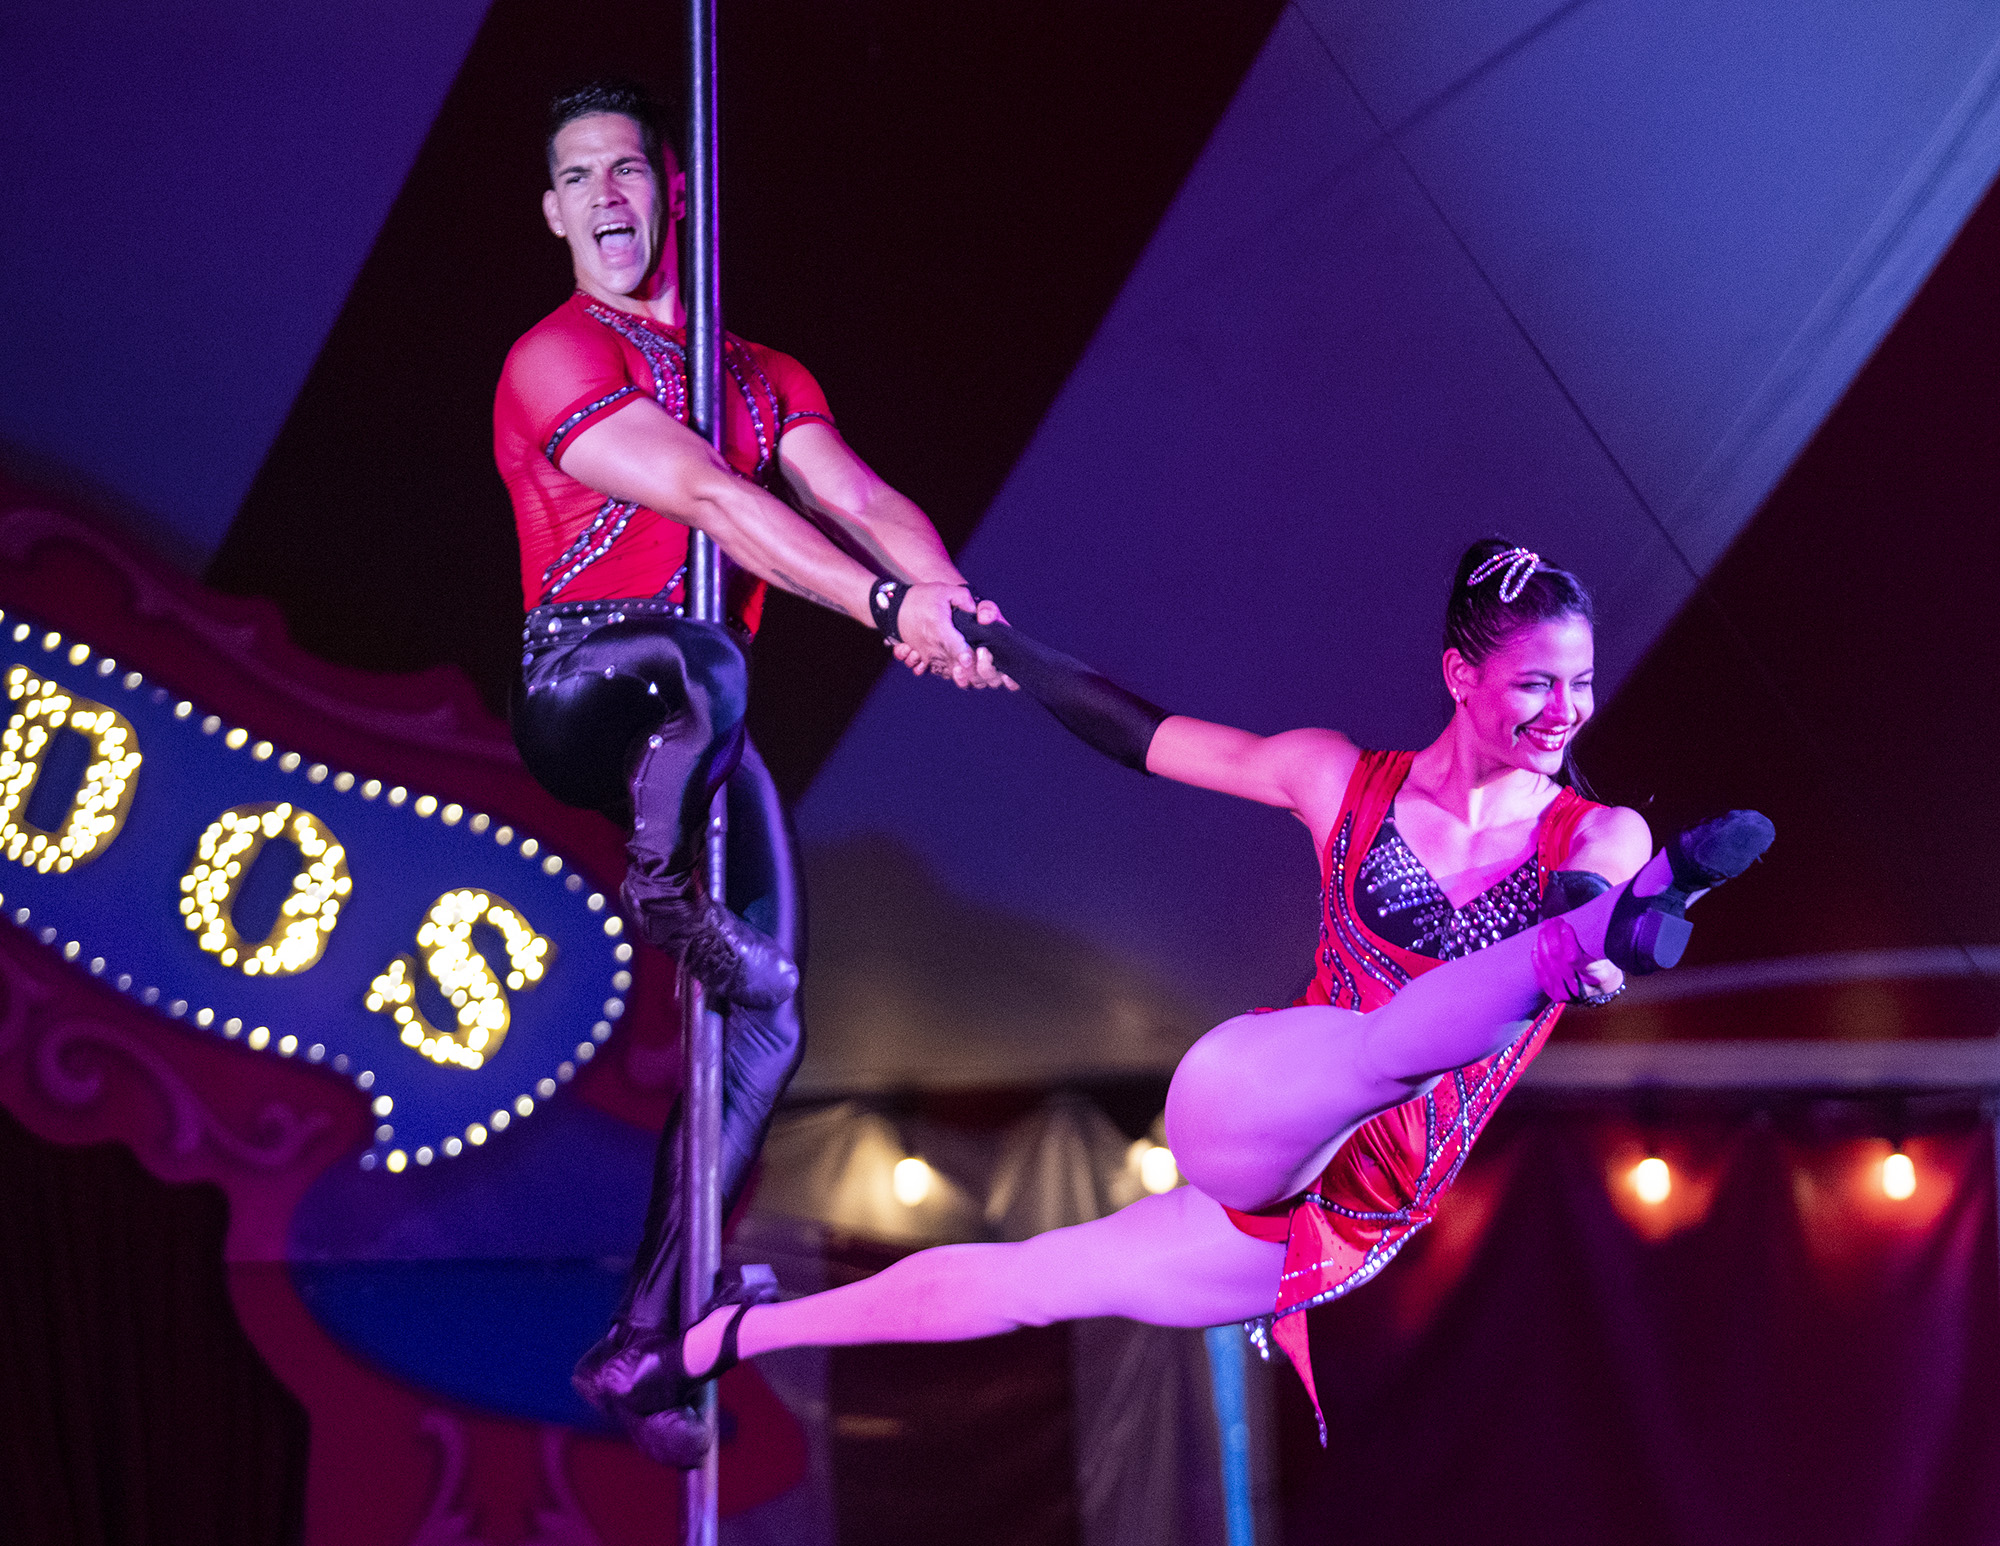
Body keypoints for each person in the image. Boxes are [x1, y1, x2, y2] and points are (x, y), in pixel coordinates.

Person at [654, 539, 1774, 1453]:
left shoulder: (1599, 833)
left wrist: (1604, 925)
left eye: (1578, 682)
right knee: (1384, 1048)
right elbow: (1142, 733)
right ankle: (1581, 942)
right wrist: (1004, 648)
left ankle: (707, 1343)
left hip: (1335, 1220)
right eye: (1535, 681)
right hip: (1255, 1099)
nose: (1562, 710)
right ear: (1458, 675)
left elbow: (1592, 874)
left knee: (1031, 1282)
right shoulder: (1334, 777)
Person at [491, 79, 1007, 1462]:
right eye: (579, 177)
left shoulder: (761, 372)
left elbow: (857, 495)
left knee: (771, 1012)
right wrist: (886, 614)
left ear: (674, 190)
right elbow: (716, 499)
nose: (607, 196)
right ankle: (660, 887)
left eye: (628, 171)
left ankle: (643, 1339)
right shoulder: (553, 355)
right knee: (707, 654)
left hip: (704, 722)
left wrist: (948, 597)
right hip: (589, 684)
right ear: (553, 211)